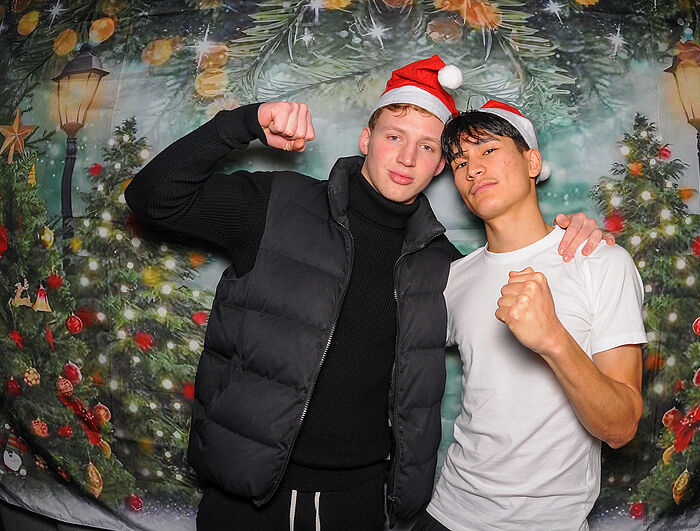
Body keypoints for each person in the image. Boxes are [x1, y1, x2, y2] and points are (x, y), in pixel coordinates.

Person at [125, 58, 609, 530]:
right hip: (244, 496)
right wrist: (244, 122)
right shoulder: (278, 204)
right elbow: (152, 198)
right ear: (366, 139)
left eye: (426, 146)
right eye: (394, 136)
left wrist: (574, 238)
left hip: (359, 502)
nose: (407, 158)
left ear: (440, 165)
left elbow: (510, 290)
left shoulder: (443, 264)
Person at [414, 101, 646, 531]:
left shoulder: (599, 262)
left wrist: (553, 339)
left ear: (532, 162)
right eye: (460, 162)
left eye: (488, 150)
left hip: (548, 522)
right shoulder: (453, 279)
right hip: (448, 513)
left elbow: (621, 426)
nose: (473, 169)